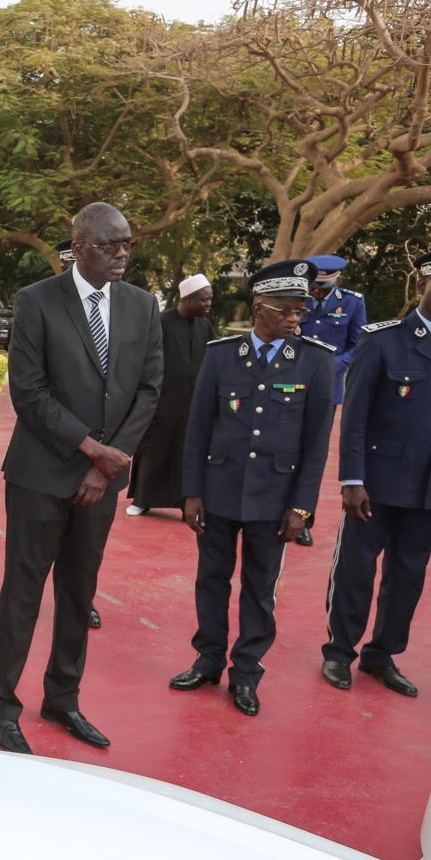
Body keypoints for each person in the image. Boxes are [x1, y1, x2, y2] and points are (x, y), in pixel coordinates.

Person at [0, 202, 163, 755]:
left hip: (101, 481)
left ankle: (63, 698)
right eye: (110, 245)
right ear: (80, 245)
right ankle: (0, 708)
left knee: (79, 594)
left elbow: (149, 388)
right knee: (23, 593)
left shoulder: (141, 305)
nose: (122, 254)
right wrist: (91, 450)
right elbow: (29, 393)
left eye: (127, 243)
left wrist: (109, 463)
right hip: (41, 474)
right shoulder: (37, 301)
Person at [171, 260, 335, 716]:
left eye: (300, 310)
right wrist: (192, 493)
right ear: (260, 308)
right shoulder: (222, 355)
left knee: (260, 588)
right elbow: (198, 429)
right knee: (211, 579)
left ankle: (246, 673)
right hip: (220, 490)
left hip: (274, 497)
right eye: (286, 309)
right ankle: (207, 660)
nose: (295, 318)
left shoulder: (316, 361)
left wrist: (301, 508)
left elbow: (316, 444)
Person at [321, 245, 431, 698]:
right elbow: (354, 416)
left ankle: (383, 654)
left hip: (429, 485)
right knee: (356, 568)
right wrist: (351, 480)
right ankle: (339, 651)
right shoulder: (382, 340)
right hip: (375, 484)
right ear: (422, 285)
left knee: (409, 573)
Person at [126, 273, 217, 517]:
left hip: (192, 405)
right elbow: (143, 360)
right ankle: (142, 500)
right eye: (204, 300)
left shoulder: (205, 326)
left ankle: (182, 502)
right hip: (161, 402)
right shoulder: (161, 321)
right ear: (187, 299)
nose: (209, 304)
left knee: (184, 454)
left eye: (210, 300)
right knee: (153, 450)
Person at [293, 254, 368, 546]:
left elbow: (358, 344)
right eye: (314, 288)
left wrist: (332, 366)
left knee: (313, 453)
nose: (316, 294)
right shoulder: (298, 298)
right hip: (290, 384)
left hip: (328, 390)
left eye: (322, 289)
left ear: (335, 281)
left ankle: (303, 519)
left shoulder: (352, 302)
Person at [55, 234, 104, 632]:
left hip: (100, 457)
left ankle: (82, 600)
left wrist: (105, 455)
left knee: (87, 548)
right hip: (49, 451)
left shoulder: (121, 307)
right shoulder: (42, 304)